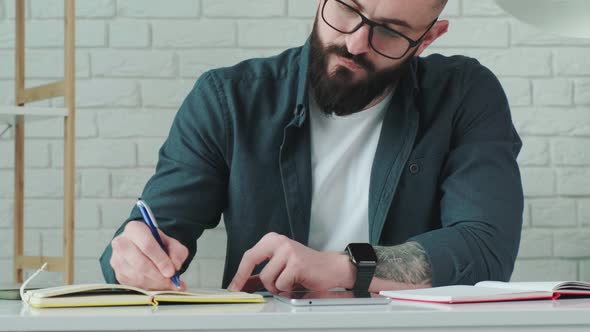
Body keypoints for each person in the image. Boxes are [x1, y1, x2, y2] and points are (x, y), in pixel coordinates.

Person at [100, 0, 524, 294]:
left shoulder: (465, 95)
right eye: (346, 9)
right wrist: (134, 258)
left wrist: (343, 267)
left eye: (391, 32)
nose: (356, 43)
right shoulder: (228, 100)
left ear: (428, 38)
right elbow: (152, 234)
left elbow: (484, 249)